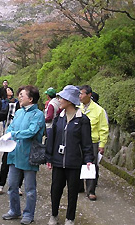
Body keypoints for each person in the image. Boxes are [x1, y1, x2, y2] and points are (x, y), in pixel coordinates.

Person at [46, 85, 94, 225]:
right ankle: (54, 215)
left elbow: (86, 143)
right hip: (58, 161)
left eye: (62, 97)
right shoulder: (58, 118)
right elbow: (52, 139)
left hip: (74, 162)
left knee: (73, 192)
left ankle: (70, 218)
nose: (59, 100)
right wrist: (49, 157)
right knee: (55, 189)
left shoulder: (83, 120)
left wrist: (88, 160)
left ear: (70, 100)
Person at [2, 85, 45, 225]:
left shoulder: (38, 114)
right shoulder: (19, 112)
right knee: (12, 185)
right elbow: (11, 127)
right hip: (15, 153)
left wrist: (13, 134)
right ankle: (14, 210)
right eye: (19, 94)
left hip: (29, 155)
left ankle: (28, 214)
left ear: (31, 99)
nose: (19, 96)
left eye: (22, 95)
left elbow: (32, 131)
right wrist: (6, 135)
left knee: (30, 189)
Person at [79, 85, 109, 201]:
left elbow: (103, 128)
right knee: (77, 163)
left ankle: (91, 191)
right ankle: (79, 186)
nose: (80, 96)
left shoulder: (99, 110)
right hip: (78, 140)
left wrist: (102, 145)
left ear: (89, 95)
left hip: (93, 141)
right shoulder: (77, 107)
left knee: (90, 165)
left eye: (82, 94)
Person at [0, 87, 24, 196]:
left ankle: (18, 186)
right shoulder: (11, 105)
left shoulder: (32, 112)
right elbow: (3, 115)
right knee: (6, 162)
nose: (21, 97)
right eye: (20, 95)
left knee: (20, 164)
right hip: (10, 138)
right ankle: (1, 184)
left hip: (22, 140)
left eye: (23, 95)